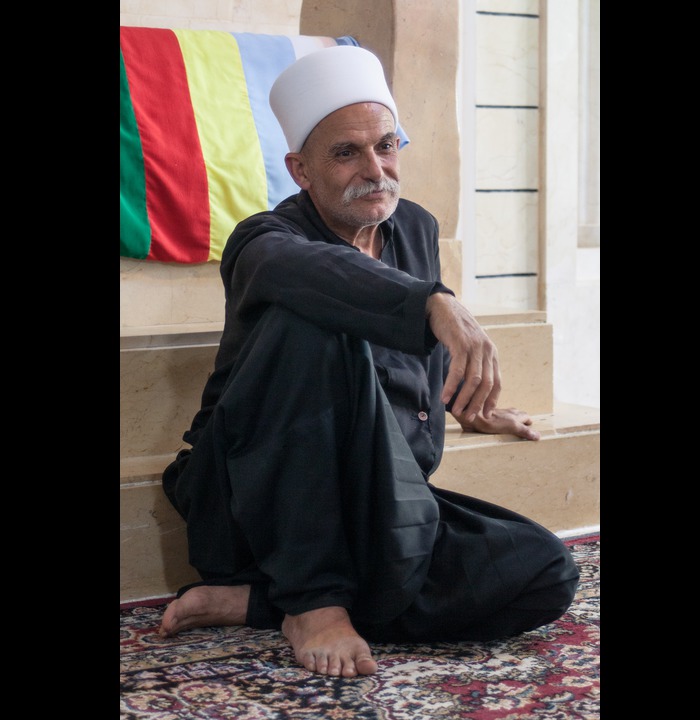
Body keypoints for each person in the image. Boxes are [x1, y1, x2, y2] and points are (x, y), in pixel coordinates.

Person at [158, 44, 579, 679]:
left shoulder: (414, 228)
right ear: (300, 170)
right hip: (255, 498)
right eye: (346, 153)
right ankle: (313, 601)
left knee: (543, 569)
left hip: (376, 490)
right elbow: (324, 280)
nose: (375, 169)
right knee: (313, 321)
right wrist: (435, 303)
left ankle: (261, 603)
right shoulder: (265, 241)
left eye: (386, 146)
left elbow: (401, 373)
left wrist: (463, 404)